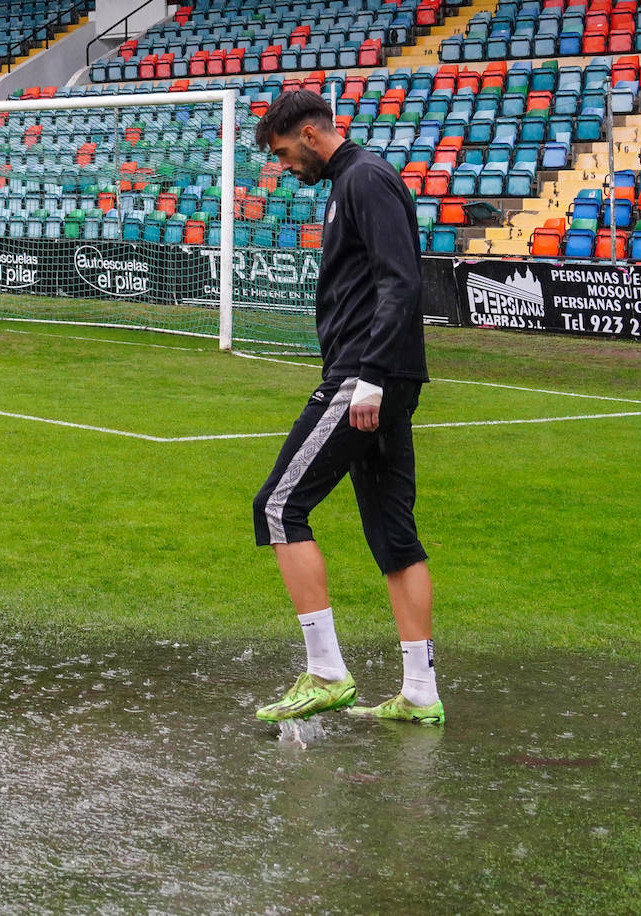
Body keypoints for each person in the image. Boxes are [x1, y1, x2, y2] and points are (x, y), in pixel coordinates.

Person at [249, 90, 443, 726]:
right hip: (376, 375)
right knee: (393, 534)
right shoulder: (351, 181)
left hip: (365, 377)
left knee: (278, 506)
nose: (285, 166)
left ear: (310, 134)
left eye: (284, 153)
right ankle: (420, 692)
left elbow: (401, 280)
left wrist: (371, 378)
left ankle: (327, 672)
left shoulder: (364, 177)